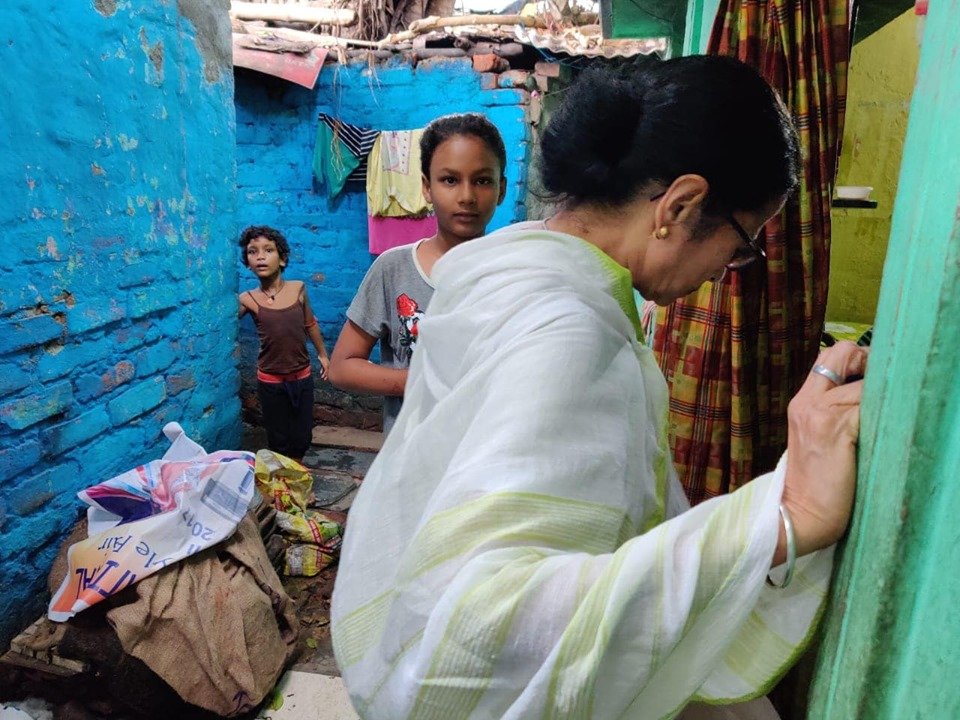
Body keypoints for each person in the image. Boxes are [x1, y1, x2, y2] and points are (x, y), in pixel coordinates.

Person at [330, 56, 867, 719]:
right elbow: (476, 629)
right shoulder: (570, 331)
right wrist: (782, 522)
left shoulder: (501, 269)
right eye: (739, 247)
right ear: (680, 204)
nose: (725, 274)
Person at [327, 113, 507, 436]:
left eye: (482, 180)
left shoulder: (510, 274)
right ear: (426, 187)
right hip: (409, 459)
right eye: (449, 180)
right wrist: (419, 381)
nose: (466, 196)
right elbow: (341, 367)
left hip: (483, 459)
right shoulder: (393, 269)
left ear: (501, 189)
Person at [238, 225, 330, 462]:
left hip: (301, 376)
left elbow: (310, 323)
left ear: (282, 259)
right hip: (270, 381)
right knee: (278, 438)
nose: (260, 256)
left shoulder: (298, 288)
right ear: (247, 263)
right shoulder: (247, 299)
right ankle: (284, 490)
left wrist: (323, 354)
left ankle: (297, 481)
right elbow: (220, 320)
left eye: (268, 250)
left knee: (301, 436)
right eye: (252, 252)